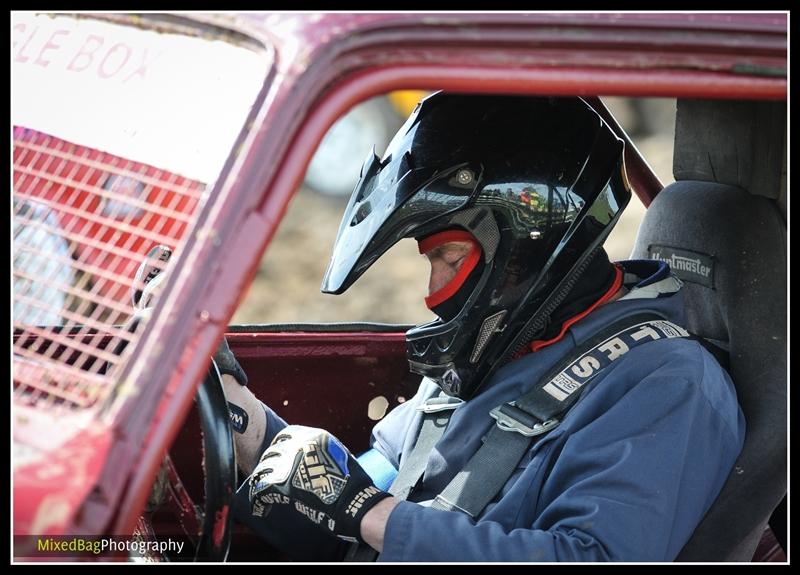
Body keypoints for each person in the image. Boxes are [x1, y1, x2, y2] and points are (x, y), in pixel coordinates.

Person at [219, 93, 745, 561]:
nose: (434, 291)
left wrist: (369, 514)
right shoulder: (503, 343)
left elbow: (590, 556)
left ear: (528, 235)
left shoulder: (670, 384)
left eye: (449, 256)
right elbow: (367, 490)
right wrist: (235, 408)